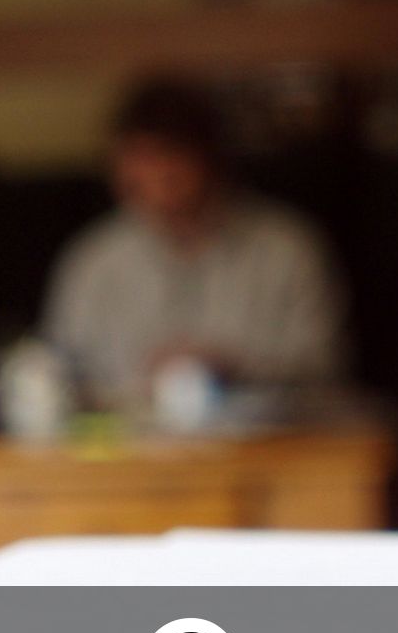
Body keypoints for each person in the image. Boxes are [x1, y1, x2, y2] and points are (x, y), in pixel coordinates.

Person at [43, 76, 344, 411]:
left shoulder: (286, 248)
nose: (157, 174)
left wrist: (232, 367)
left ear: (210, 156)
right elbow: (60, 379)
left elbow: (324, 369)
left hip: (268, 437)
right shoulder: (93, 260)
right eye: (140, 158)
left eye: (170, 154)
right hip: (129, 440)